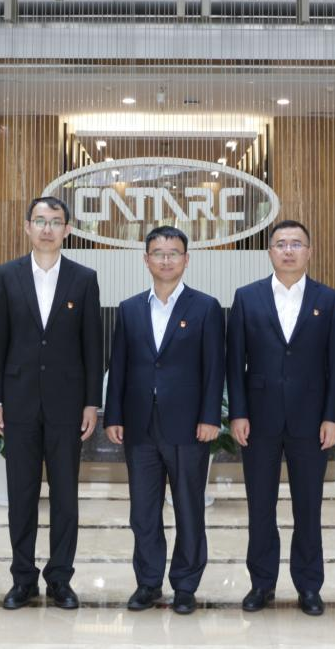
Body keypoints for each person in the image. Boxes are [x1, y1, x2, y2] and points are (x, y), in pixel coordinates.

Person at [0, 196, 103, 610]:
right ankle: (22, 579)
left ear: (67, 229)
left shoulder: (84, 278)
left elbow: (93, 346)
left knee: (65, 497)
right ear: (27, 227)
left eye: (55, 221)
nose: (47, 228)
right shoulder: (7, 274)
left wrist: (91, 403)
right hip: (18, 404)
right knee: (21, 494)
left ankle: (60, 579)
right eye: (40, 221)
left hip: (67, 406)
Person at [227, 219, 335, 617]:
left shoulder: (329, 300)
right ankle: (261, 583)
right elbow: (235, 363)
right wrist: (238, 412)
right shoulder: (247, 297)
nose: (289, 250)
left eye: (297, 244)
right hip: (258, 420)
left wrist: (332, 416)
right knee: (260, 506)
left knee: (308, 508)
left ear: (309, 251)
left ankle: (309, 586)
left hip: (311, 422)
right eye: (281, 244)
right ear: (270, 252)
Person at [104, 225, 224, 615]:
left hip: (189, 426)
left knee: (189, 508)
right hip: (139, 426)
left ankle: (185, 585)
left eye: (174, 253)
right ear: (146, 259)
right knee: (143, 511)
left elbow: (214, 368)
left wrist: (210, 416)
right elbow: (119, 366)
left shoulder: (205, 307)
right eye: (158, 253)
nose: (166, 259)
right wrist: (114, 414)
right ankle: (148, 582)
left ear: (186, 260)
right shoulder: (129, 308)